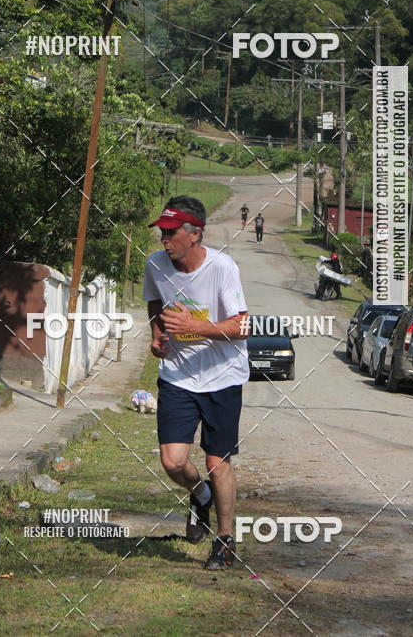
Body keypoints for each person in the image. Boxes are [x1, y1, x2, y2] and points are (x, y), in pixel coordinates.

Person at [143, 195, 249, 570]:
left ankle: (224, 539)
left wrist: (195, 326)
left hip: (223, 376)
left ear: (194, 234)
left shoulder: (222, 268)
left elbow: (242, 325)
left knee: (217, 462)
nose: (164, 239)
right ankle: (200, 493)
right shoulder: (155, 265)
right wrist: (157, 337)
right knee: (173, 462)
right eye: (162, 231)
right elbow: (155, 304)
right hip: (178, 375)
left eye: (171, 232)